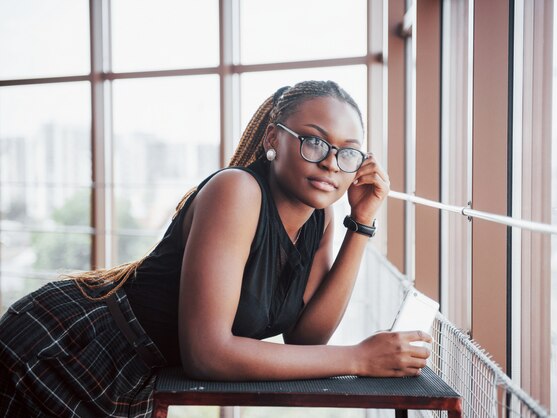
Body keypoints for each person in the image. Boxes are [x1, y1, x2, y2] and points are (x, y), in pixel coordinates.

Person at [0, 80, 432, 417]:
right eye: (314, 141)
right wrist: (359, 358)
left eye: (348, 153)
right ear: (272, 139)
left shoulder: (319, 218)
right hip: (72, 350)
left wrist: (362, 222)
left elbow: (306, 337)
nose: (329, 163)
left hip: (136, 375)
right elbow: (208, 353)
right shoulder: (237, 191)